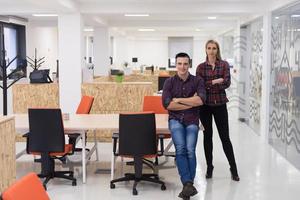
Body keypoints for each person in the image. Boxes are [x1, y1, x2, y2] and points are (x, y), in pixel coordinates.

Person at [162, 52, 206, 199]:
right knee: (180, 149)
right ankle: (188, 184)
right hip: (175, 120)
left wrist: (179, 100)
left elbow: (200, 101)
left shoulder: (197, 81)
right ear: (176, 64)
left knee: (190, 150)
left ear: (189, 65)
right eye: (179, 63)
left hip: (192, 120)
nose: (182, 67)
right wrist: (190, 101)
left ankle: (187, 184)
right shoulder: (169, 82)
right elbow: (168, 105)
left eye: (185, 64)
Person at [196, 39, 240, 181]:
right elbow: (200, 86)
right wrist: (216, 81)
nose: (211, 51)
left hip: (220, 104)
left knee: (225, 137)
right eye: (209, 48)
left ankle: (233, 168)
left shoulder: (224, 65)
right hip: (205, 106)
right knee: (207, 137)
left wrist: (211, 83)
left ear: (217, 50)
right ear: (206, 50)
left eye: (214, 48)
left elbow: (226, 83)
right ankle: (209, 166)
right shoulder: (201, 67)